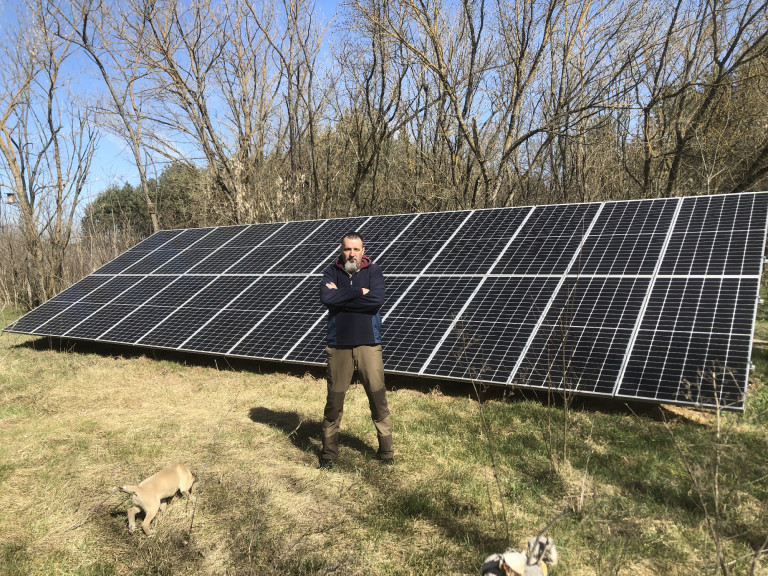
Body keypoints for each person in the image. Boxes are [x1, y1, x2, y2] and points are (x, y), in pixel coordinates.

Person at [318, 232, 393, 469]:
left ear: (363, 250)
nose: (351, 253)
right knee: (334, 401)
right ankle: (329, 455)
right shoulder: (331, 272)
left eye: (356, 249)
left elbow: (377, 300)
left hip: (369, 344)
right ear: (342, 250)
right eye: (347, 249)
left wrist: (341, 297)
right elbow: (327, 298)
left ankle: (386, 452)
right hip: (338, 344)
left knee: (377, 398)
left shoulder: (374, 272)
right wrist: (358, 293)